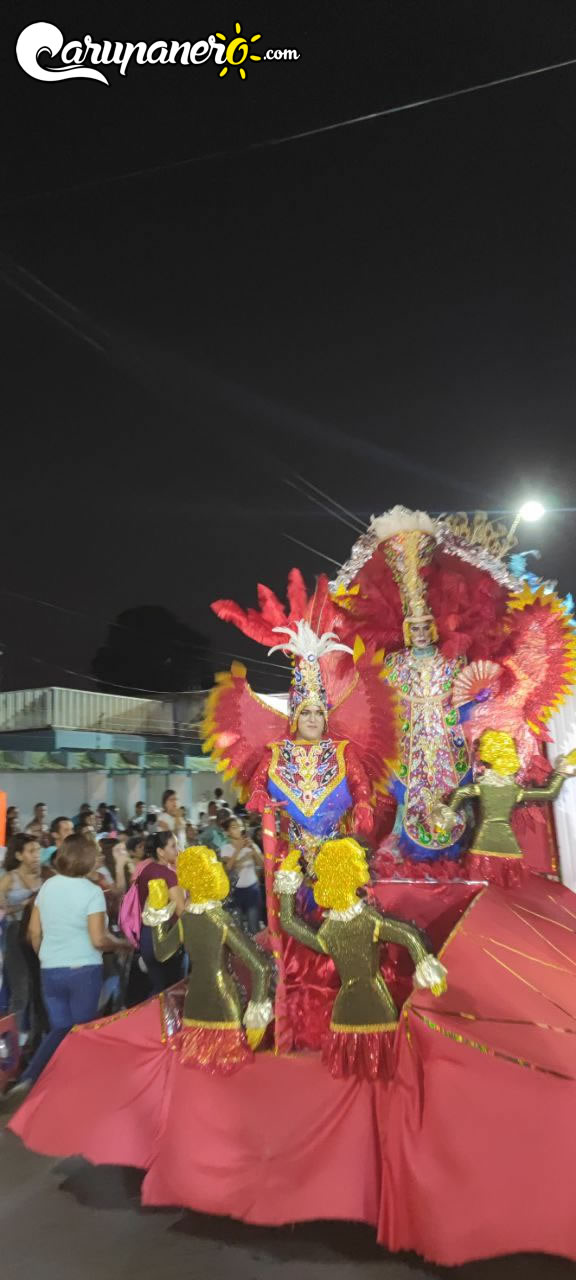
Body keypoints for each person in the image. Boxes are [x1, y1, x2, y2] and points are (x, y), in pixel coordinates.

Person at [275, 838, 447, 1080]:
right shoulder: (342, 927)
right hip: (359, 1005)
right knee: (368, 1071)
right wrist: (425, 965)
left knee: (369, 1071)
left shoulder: (342, 928)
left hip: (362, 1004)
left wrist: (287, 886)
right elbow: (409, 936)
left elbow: (288, 922)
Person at [11, 834, 131, 1094]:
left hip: (50, 971)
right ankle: (48, 1080)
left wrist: (46, 956)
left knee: (61, 1029)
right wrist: (121, 944)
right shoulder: (91, 892)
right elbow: (98, 939)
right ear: (86, 859)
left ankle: (42, 1081)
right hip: (83, 970)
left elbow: (33, 932)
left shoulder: (47, 887)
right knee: (80, 1029)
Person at [141, 845, 272, 1071]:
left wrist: (158, 913)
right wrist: (257, 1013)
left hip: (194, 1003)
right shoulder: (220, 920)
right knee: (230, 1072)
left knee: (197, 1072)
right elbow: (260, 967)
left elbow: (162, 952)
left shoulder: (186, 919)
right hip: (223, 1002)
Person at [0, 835, 45, 1050]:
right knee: (20, 989)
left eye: (38, 850)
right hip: (16, 932)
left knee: (39, 988)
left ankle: (35, 1041)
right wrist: (26, 904)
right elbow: (2, 910)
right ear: (19, 855)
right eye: (31, 851)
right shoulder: (9, 878)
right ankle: (13, 1046)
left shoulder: (45, 876)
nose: (36, 855)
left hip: (41, 933)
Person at [135, 832, 185, 994]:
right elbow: (181, 911)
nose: (178, 850)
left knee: (159, 988)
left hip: (147, 936)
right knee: (173, 990)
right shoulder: (167, 874)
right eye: (173, 846)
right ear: (160, 851)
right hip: (166, 939)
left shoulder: (146, 869)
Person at [220, 816, 264, 934]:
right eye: (234, 827)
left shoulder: (250, 844)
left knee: (254, 926)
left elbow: (262, 864)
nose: (239, 829)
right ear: (228, 832)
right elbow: (228, 868)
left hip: (252, 889)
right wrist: (239, 850)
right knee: (237, 928)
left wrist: (253, 849)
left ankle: (256, 945)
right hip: (235, 892)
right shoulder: (226, 849)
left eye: (240, 826)